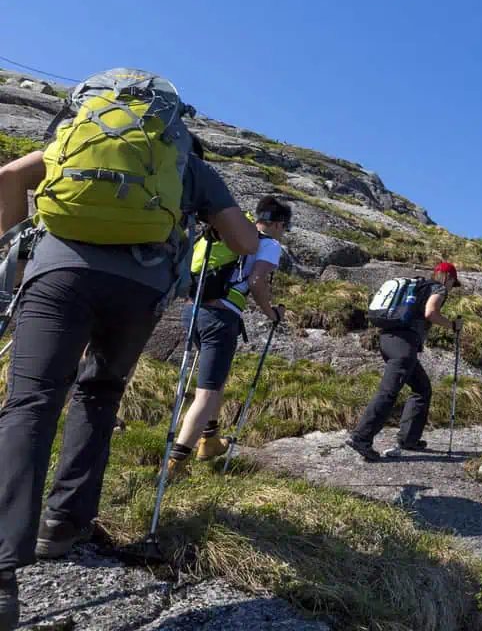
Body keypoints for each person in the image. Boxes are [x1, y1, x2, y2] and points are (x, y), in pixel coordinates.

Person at [0, 69, 257, 631]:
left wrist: (22, 249)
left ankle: (2, 570)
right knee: (100, 394)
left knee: (32, 404)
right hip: (138, 289)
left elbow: (7, 177)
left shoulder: (75, 137)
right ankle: (64, 526)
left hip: (56, 276)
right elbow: (245, 242)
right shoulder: (185, 160)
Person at [166, 196, 291, 476]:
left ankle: (209, 440)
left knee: (215, 380)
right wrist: (271, 313)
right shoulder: (268, 244)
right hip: (221, 317)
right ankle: (176, 462)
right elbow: (257, 281)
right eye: (284, 228)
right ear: (279, 224)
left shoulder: (228, 232)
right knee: (207, 393)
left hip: (192, 310)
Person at [346, 262, 463, 461]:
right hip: (404, 345)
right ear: (449, 278)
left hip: (387, 340)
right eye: (453, 282)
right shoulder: (438, 288)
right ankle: (361, 437)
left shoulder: (417, 286)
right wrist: (453, 325)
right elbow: (431, 313)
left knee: (422, 387)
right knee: (389, 392)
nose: (452, 286)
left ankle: (409, 438)